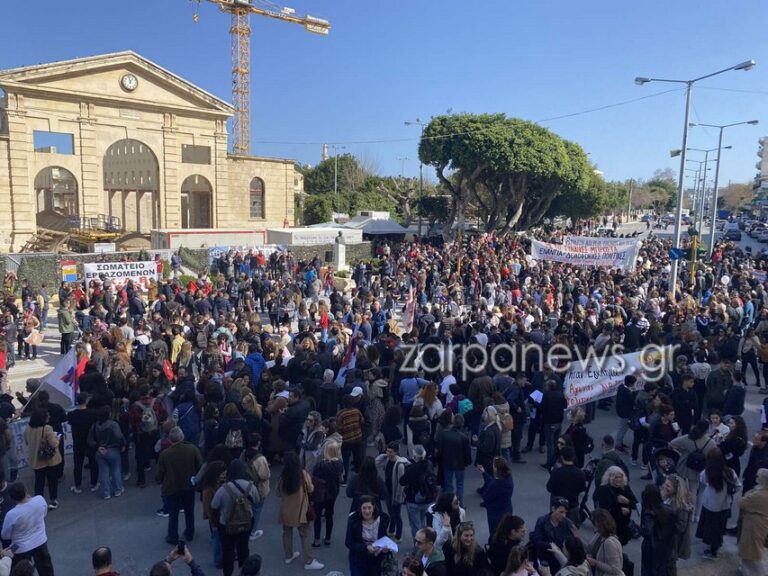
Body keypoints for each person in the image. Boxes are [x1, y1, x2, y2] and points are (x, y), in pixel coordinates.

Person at [210, 460, 260, 576]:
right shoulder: (251, 486)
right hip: (246, 523)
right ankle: (244, 572)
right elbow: (257, 501)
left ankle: (228, 573)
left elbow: (214, 505)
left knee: (228, 552)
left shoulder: (223, 489)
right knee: (243, 549)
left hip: (226, 525)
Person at [276, 452, 323, 570]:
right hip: (301, 510)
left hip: (286, 510)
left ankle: (289, 555)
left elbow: (277, 493)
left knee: (286, 532)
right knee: (306, 535)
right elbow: (311, 488)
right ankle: (309, 561)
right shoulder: (302, 474)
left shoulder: (282, 476)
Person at [156, 426, 202, 545]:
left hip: (171, 488)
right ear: (182, 437)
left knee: (173, 513)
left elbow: (160, 473)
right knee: (189, 511)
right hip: (188, 486)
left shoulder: (165, 454)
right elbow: (200, 466)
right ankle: (190, 532)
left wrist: (160, 481)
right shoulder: (192, 449)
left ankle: (172, 536)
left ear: (170, 440)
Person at [0, 482, 54, 576]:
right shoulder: (39, 500)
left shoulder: (11, 514)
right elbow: (44, 513)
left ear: (12, 498)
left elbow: (5, 535)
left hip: (19, 547)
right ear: (26, 491)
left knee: (22, 571)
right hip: (40, 540)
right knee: (46, 568)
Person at [696, 448, 739, 558]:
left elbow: (702, 480)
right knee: (719, 527)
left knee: (709, 527)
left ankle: (710, 549)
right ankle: (715, 548)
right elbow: (738, 486)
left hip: (710, 504)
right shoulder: (730, 472)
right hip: (724, 505)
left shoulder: (707, 472)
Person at [345, 495, 392, 576]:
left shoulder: (382, 520)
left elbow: (384, 539)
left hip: (376, 560)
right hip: (358, 559)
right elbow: (349, 542)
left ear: (373, 507)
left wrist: (386, 549)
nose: (367, 511)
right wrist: (365, 547)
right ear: (360, 508)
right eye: (364, 508)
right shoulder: (354, 520)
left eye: (369, 508)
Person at [434, 410, 471, 506]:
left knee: (448, 485)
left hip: (447, 463)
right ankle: (460, 504)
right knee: (460, 484)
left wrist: (439, 460)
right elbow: (467, 452)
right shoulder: (464, 437)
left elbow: (440, 450)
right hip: (460, 464)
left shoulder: (445, 434)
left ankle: (449, 503)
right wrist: (467, 462)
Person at [592, 466, 637, 546]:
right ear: (610, 478)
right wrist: (620, 510)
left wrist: (627, 501)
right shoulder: (603, 489)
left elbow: (635, 504)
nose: (618, 479)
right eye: (616, 477)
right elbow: (603, 507)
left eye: (620, 477)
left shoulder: (625, 488)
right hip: (608, 525)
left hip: (622, 526)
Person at [88, 405, 125, 500]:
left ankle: (105, 493)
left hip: (100, 451)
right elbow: (119, 437)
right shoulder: (113, 425)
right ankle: (117, 489)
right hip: (113, 450)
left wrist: (98, 447)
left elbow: (90, 440)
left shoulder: (95, 425)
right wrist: (123, 445)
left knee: (103, 472)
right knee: (115, 469)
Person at [25, 410, 60, 510]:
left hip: (36, 459)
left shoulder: (28, 428)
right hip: (49, 459)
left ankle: (38, 503)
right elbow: (54, 444)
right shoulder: (47, 428)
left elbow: (27, 441)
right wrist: (58, 440)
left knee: (39, 482)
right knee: (52, 481)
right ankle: (53, 500)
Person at [311, 442, 343, 547]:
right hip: (332, 494)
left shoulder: (320, 465)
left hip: (320, 494)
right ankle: (328, 538)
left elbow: (313, 478)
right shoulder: (339, 464)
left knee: (317, 517)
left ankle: (317, 540)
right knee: (329, 516)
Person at [400, 444, 435, 543]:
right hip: (428, 499)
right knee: (424, 523)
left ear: (414, 456)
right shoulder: (429, 464)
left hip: (413, 501)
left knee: (416, 526)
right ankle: (427, 544)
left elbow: (402, 481)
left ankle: (418, 547)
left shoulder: (412, 469)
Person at [374, 441, 408, 543]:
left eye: (391, 452)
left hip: (396, 494)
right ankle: (392, 530)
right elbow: (376, 461)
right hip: (388, 491)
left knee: (397, 515)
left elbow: (401, 484)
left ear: (396, 452)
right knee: (391, 513)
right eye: (387, 451)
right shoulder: (387, 460)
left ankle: (398, 535)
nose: (388, 454)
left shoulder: (400, 465)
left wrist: (398, 497)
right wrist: (385, 454)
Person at [532, 497, 577, 572]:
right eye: (561, 512)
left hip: (560, 560)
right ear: (553, 509)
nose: (564, 515)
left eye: (565, 513)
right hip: (545, 559)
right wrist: (551, 545)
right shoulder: (542, 521)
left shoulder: (568, 523)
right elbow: (536, 540)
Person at [660, 474, 693, 576]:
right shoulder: (666, 497)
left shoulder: (681, 506)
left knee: (670, 565)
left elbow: (681, 527)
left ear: (676, 489)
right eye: (665, 485)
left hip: (672, 541)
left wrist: (665, 522)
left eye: (668, 486)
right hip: (664, 538)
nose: (665, 487)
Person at [738, 468, 768, 576]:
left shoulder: (759, 494)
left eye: (758, 476)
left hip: (754, 525)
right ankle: (746, 570)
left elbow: (742, 502)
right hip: (758, 523)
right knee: (749, 551)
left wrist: (749, 492)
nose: (756, 478)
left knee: (753, 553)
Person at [640, 484, 675, 576]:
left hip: (651, 547)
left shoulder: (648, 513)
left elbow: (647, 531)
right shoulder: (669, 510)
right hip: (665, 547)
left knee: (648, 570)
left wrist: (636, 528)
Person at [545, 447, 586, 526]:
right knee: (571, 529)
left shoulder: (557, 472)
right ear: (573, 457)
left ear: (561, 457)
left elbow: (549, 487)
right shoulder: (580, 473)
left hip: (558, 505)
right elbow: (582, 488)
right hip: (573, 504)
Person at [68, 393, 98, 494]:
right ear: (86, 401)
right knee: (93, 462)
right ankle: (94, 483)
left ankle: (77, 485)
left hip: (78, 441)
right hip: (90, 440)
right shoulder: (93, 413)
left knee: (78, 464)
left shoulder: (72, 414)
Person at [480, 456, 514, 536]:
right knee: (505, 532)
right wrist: (484, 473)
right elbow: (493, 481)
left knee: (495, 533)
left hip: (495, 513)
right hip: (507, 509)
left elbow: (486, 496)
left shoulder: (496, 485)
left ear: (496, 469)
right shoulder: (508, 478)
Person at [586, 509, 623, 576]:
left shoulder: (609, 543)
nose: (592, 525)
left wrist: (596, 563)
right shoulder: (599, 535)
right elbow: (590, 548)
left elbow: (616, 570)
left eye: (594, 523)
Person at [475, 406, 501, 494]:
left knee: (488, 476)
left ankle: (488, 493)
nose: (483, 415)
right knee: (489, 475)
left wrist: (477, 442)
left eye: (485, 413)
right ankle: (486, 488)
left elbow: (487, 448)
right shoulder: (496, 426)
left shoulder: (489, 431)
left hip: (488, 459)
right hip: (494, 457)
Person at [742, 430, 768, 494]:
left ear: (763, 442)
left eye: (756, 439)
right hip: (749, 479)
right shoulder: (755, 448)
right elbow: (750, 462)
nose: (753, 440)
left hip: (760, 481)